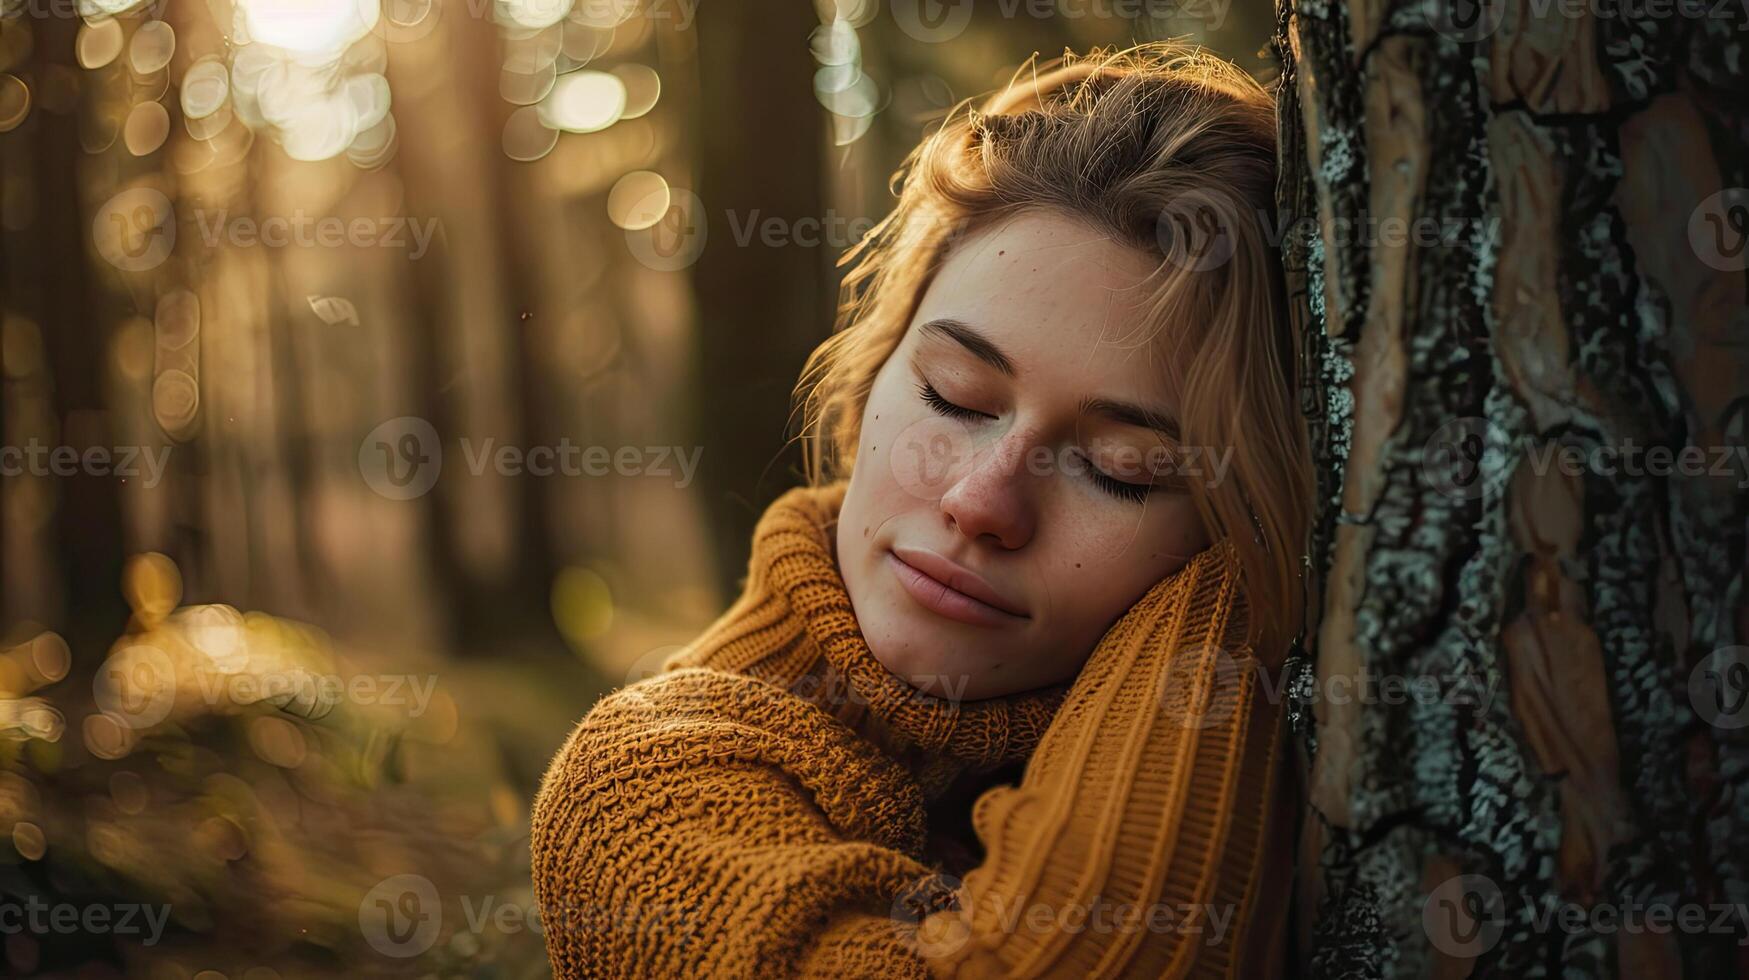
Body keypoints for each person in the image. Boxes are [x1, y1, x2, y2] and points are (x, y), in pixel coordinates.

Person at [531, 42, 1312, 978]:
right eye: (955, 398)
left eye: (1125, 471)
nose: (982, 503)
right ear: (869, 386)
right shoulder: (645, 783)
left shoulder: (1293, 764)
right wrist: (1248, 580)